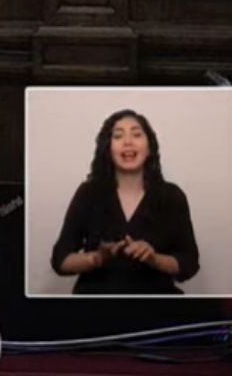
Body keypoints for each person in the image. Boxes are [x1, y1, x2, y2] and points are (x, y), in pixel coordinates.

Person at [51, 109, 200, 294]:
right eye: (118, 136)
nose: (128, 142)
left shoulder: (172, 196)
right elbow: (60, 261)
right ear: (108, 148)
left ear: (149, 147)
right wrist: (98, 257)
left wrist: (153, 259)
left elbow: (189, 264)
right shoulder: (88, 193)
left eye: (136, 134)